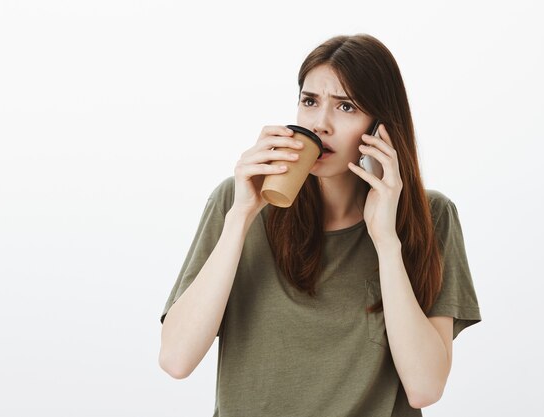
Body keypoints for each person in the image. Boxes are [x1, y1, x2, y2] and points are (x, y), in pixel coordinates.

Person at [158, 33, 482, 416]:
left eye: (346, 106)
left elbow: (425, 388)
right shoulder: (238, 199)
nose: (320, 124)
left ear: (382, 126)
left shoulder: (431, 215)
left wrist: (385, 239)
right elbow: (176, 360)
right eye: (310, 101)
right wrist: (241, 218)